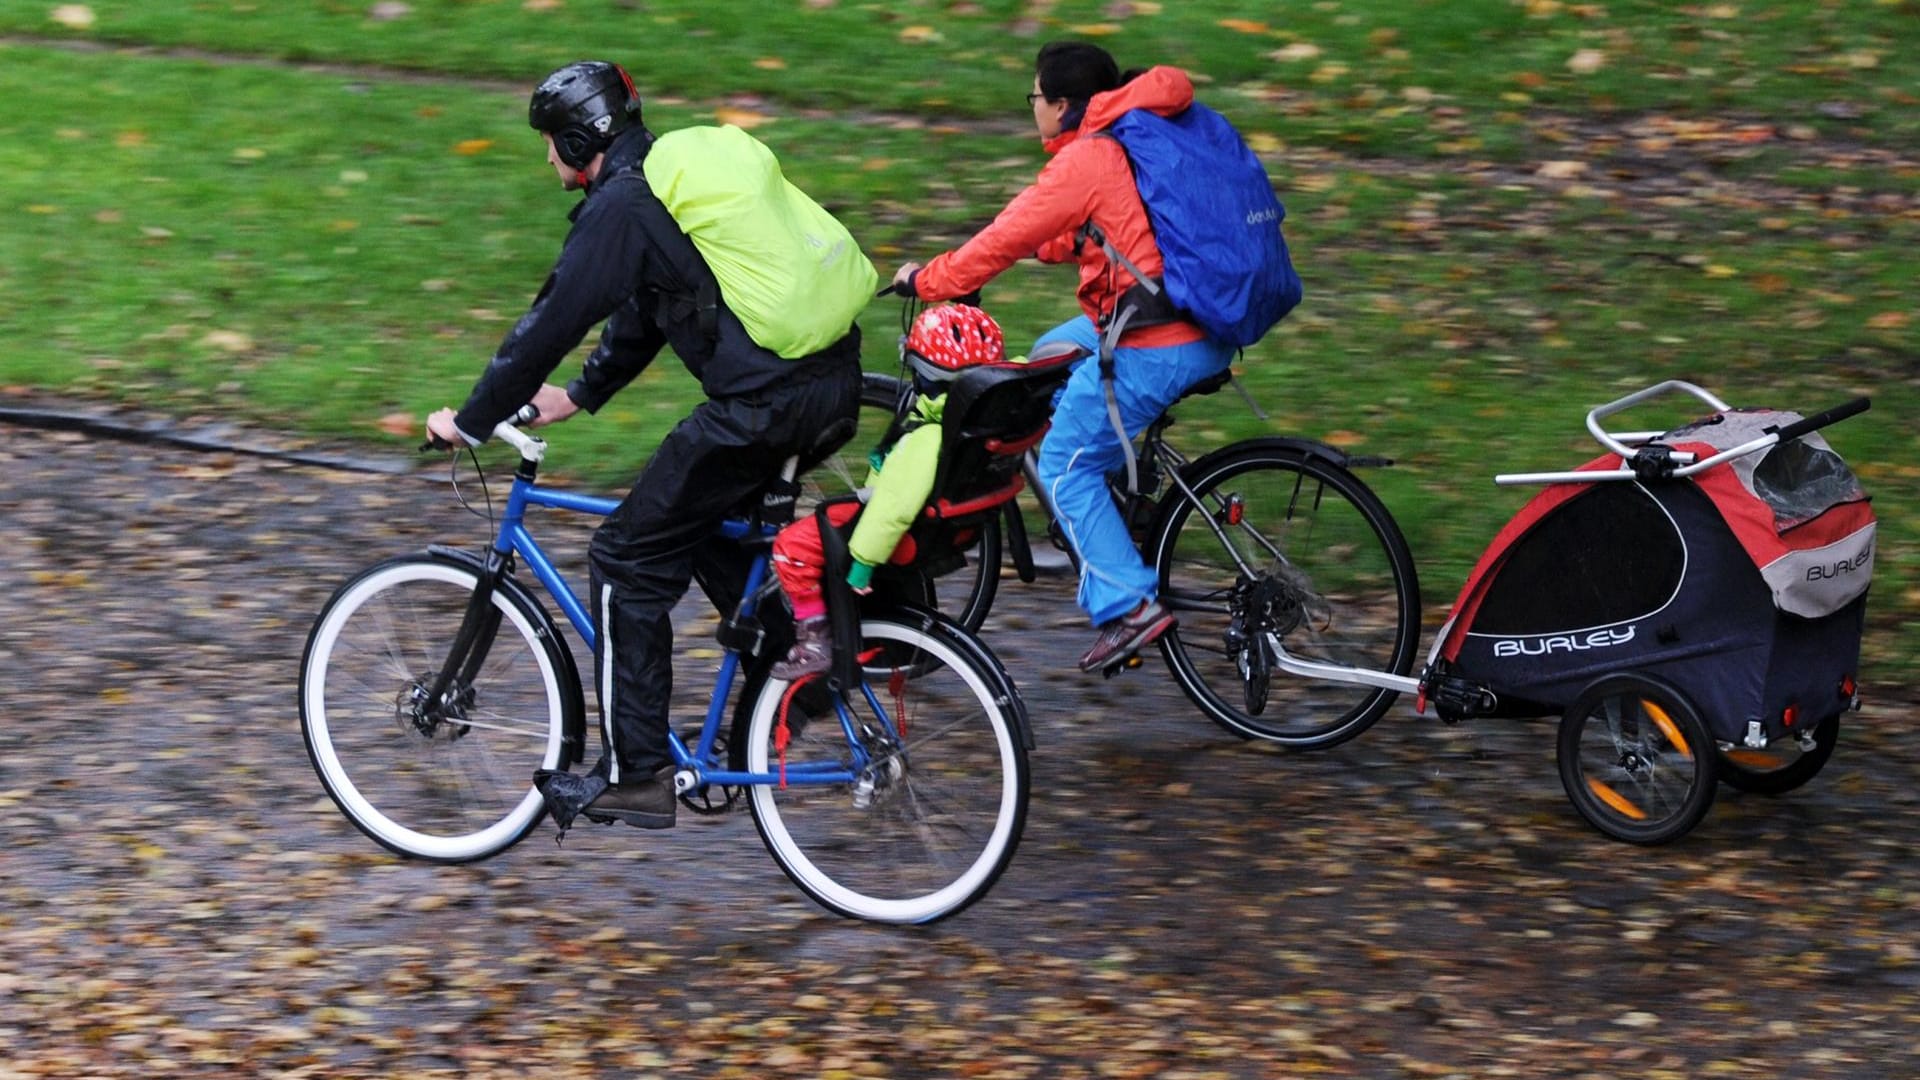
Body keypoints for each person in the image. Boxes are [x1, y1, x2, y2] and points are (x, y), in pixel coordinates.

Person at [425, 60, 864, 829]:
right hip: (832, 380)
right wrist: (581, 395)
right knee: (690, 520)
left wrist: (470, 420)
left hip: (766, 407)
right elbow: (659, 301)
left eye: (547, 143)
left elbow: (547, 325)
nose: (545, 159)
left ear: (576, 138)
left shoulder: (622, 205)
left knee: (625, 556)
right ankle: (797, 668)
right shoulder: (669, 171)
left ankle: (637, 773)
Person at [891, 42, 1237, 673]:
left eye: (1035, 98)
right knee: (1053, 352)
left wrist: (929, 281)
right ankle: (1124, 501)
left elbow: (1003, 236)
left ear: (1060, 104)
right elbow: (1098, 229)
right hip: (1193, 316)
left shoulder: (1087, 158)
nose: (1033, 109)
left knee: (1063, 463)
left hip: (1158, 340)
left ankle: (1129, 606)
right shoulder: (1132, 134)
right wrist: (1045, 246)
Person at [767, 304, 1006, 679]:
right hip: (939, 527)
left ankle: (815, 638)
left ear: (924, 375)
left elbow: (890, 510)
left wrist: (861, 565)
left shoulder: (923, 441)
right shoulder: (975, 426)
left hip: (888, 535)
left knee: (790, 550)